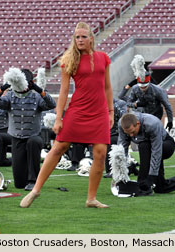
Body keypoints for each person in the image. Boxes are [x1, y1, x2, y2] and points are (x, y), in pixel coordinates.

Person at [20, 22, 114, 208]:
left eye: (83, 37)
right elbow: (63, 92)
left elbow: (107, 87)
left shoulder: (103, 58)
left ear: (91, 39)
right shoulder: (69, 60)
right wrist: (58, 117)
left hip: (99, 112)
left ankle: (91, 199)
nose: (79, 40)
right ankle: (36, 190)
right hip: (77, 110)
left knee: (101, 153)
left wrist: (110, 111)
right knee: (58, 148)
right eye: (77, 37)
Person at [0, 68, 56, 191]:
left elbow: (52, 104)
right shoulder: (10, 96)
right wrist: (3, 87)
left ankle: (33, 180)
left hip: (33, 136)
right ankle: (24, 179)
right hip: (17, 137)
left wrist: (39, 90)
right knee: (19, 183)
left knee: (33, 142)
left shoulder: (36, 96)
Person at [118, 113, 175, 195]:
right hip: (149, 149)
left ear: (138, 124)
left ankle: (141, 184)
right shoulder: (122, 124)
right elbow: (121, 149)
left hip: (165, 145)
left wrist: (150, 177)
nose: (131, 135)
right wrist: (120, 175)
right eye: (128, 133)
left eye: (132, 132)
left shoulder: (152, 124)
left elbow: (156, 151)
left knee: (144, 145)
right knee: (160, 188)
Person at [104, 98, 128, 178]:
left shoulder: (119, 104)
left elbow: (124, 117)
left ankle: (111, 171)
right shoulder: (101, 103)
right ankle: (131, 167)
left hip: (119, 132)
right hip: (109, 132)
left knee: (111, 144)